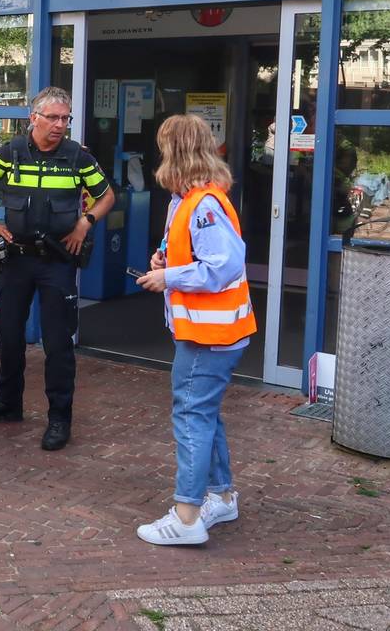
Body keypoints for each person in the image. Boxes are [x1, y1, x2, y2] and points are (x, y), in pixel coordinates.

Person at [134, 114, 256, 546]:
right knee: (205, 412)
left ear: (176, 152)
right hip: (215, 332)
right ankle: (220, 497)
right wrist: (165, 260)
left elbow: (223, 266)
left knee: (191, 414)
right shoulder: (193, 199)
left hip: (209, 336)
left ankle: (187, 515)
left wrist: (170, 278)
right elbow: (198, 256)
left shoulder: (202, 203)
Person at [0, 87, 114, 451]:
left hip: (57, 260)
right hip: (17, 258)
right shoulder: (13, 152)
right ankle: (8, 403)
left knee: (58, 342)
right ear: (34, 118)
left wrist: (86, 223)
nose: (60, 125)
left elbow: (107, 194)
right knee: (9, 331)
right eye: (54, 117)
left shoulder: (76, 156)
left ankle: (59, 418)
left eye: (66, 118)